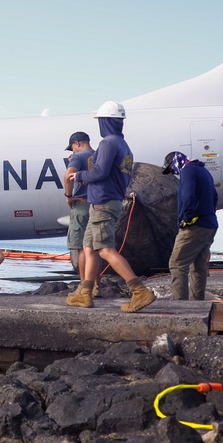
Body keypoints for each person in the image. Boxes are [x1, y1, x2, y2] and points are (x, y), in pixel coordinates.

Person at [67, 101, 155, 312]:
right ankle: (86, 293)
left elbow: (100, 173)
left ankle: (139, 291)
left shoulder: (107, 143)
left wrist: (78, 175)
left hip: (103, 203)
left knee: (105, 250)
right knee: (89, 247)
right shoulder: (124, 146)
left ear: (104, 122)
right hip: (107, 201)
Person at [163, 151, 218, 300]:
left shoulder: (188, 170)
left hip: (195, 226)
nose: (173, 172)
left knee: (177, 263)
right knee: (198, 265)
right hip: (209, 224)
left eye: (171, 168)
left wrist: (186, 218)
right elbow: (214, 197)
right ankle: (198, 303)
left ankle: (181, 305)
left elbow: (188, 196)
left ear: (175, 161)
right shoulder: (203, 171)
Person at [63, 131, 95, 286]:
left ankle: (84, 286)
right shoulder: (99, 156)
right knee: (95, 249)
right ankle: (96, 285)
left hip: (82, 205)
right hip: (97, 206)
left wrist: (68, 195)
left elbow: (68, 176)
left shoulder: (78, 156)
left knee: (81, 248)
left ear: (77, 143)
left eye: (72, 148)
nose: (72, 152)